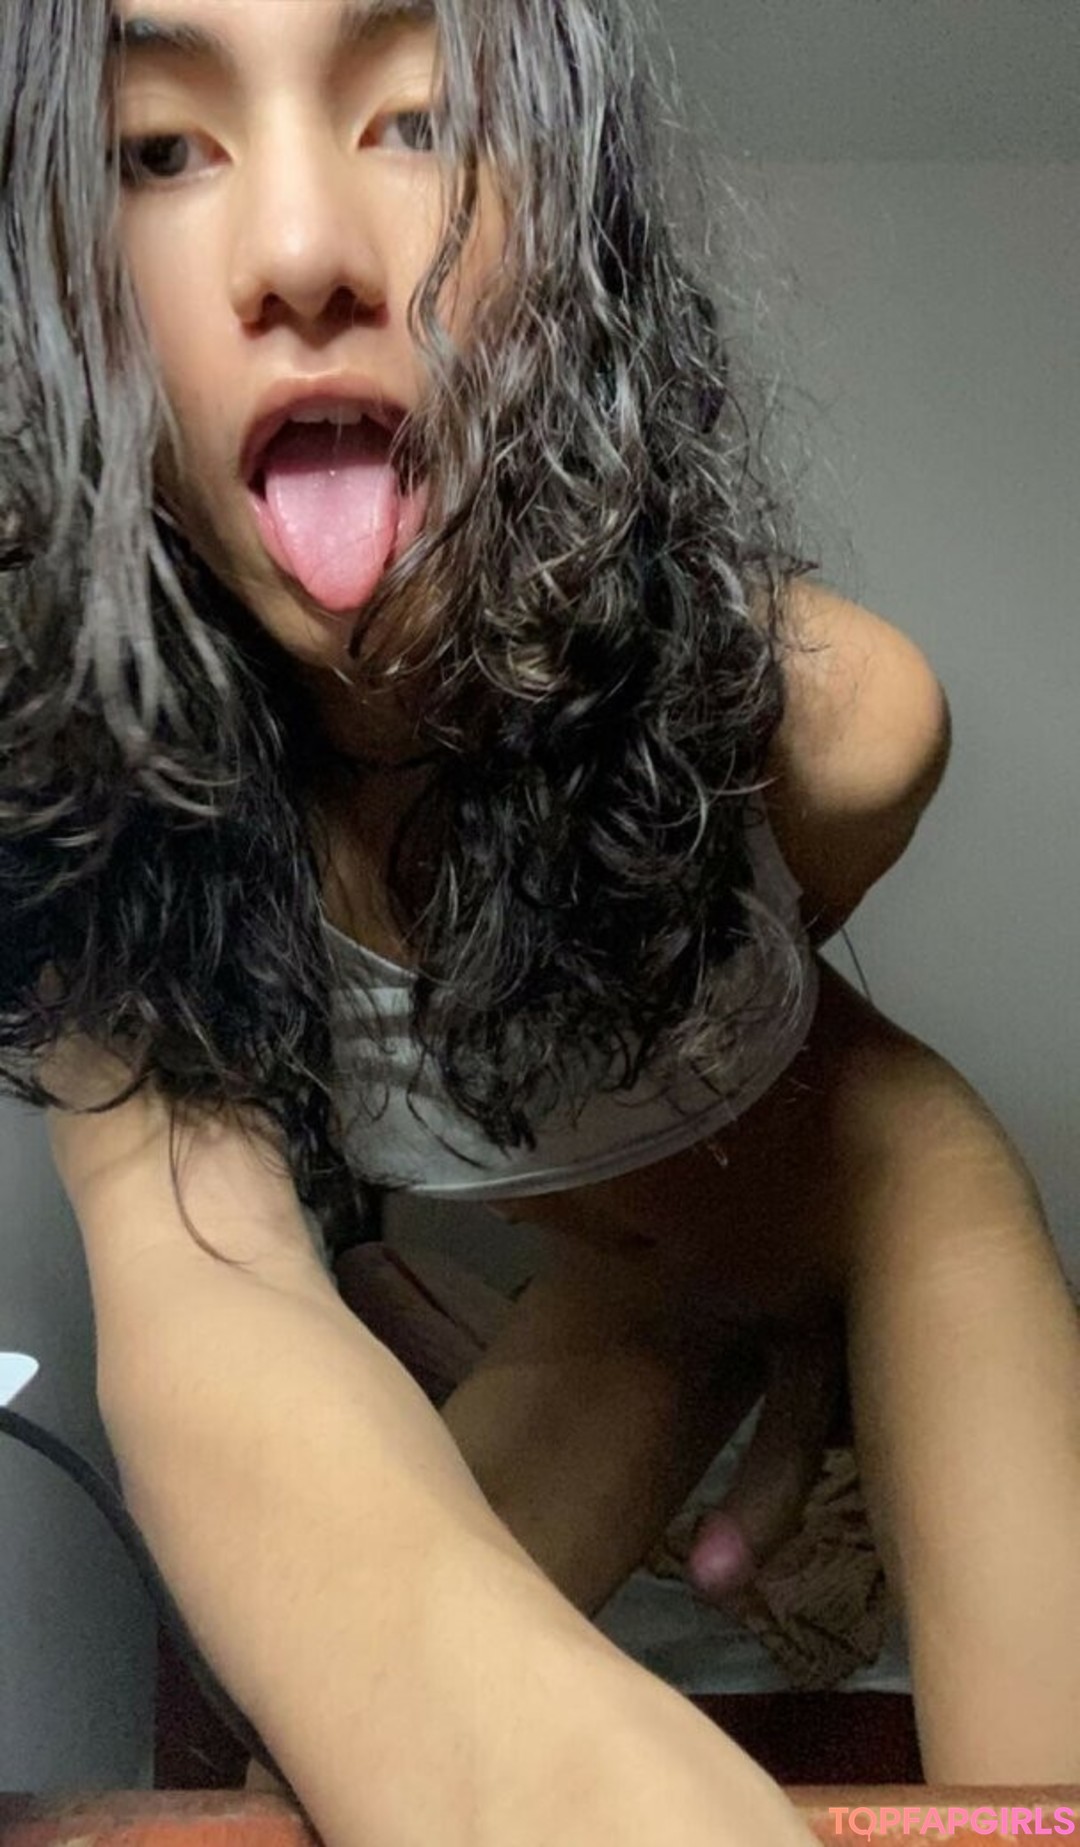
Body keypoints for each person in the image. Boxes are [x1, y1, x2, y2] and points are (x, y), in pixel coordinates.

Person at [3, 0, 1078, 1840]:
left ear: (574, 239)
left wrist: (810, 1293)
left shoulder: (831, 717)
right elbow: (208, 1292)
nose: (300, 250)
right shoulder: (94, 816)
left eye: (418, 121)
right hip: (641, 1297)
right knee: (313, 1789)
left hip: (885, 1197)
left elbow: (767, 1029)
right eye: (157, 150)